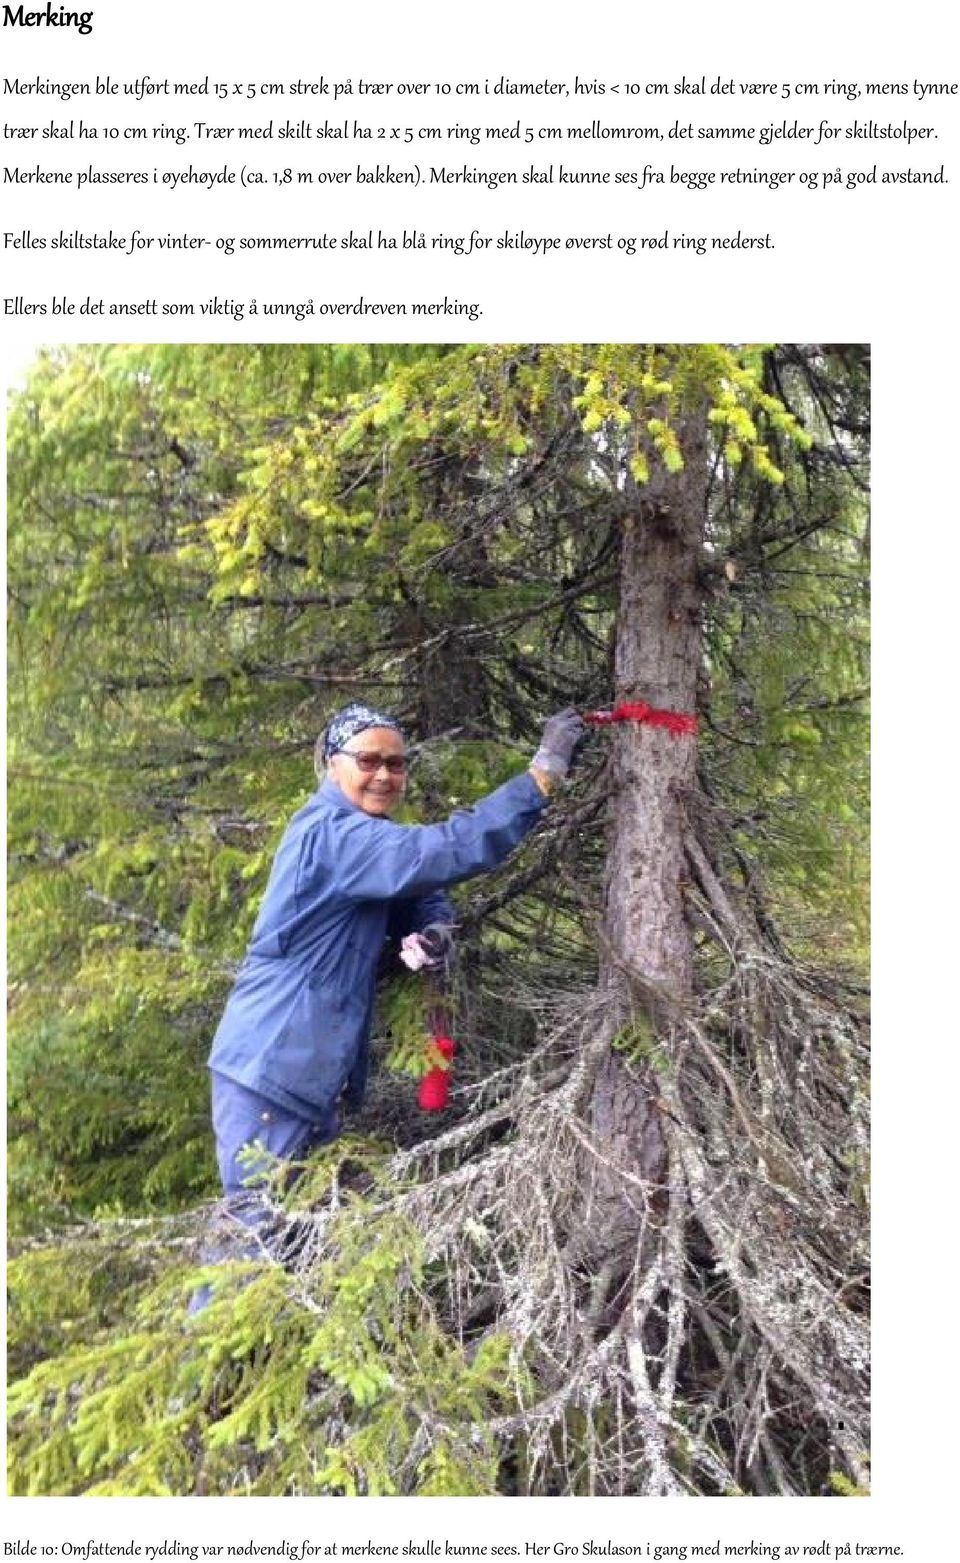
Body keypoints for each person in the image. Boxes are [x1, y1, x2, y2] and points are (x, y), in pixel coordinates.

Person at [203, 701, 586, 1244]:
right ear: (333, 765)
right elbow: (440, 851)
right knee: (254, 1244)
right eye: (368, 760)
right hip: (274, 1068)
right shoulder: (335, 835)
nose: (384, 775)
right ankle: (202, 1331)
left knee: (299, 1245)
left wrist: (432, 930)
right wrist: (541, 776)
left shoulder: (357, 835)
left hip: (298, 1069)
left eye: (397, 764)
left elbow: (420, 888)